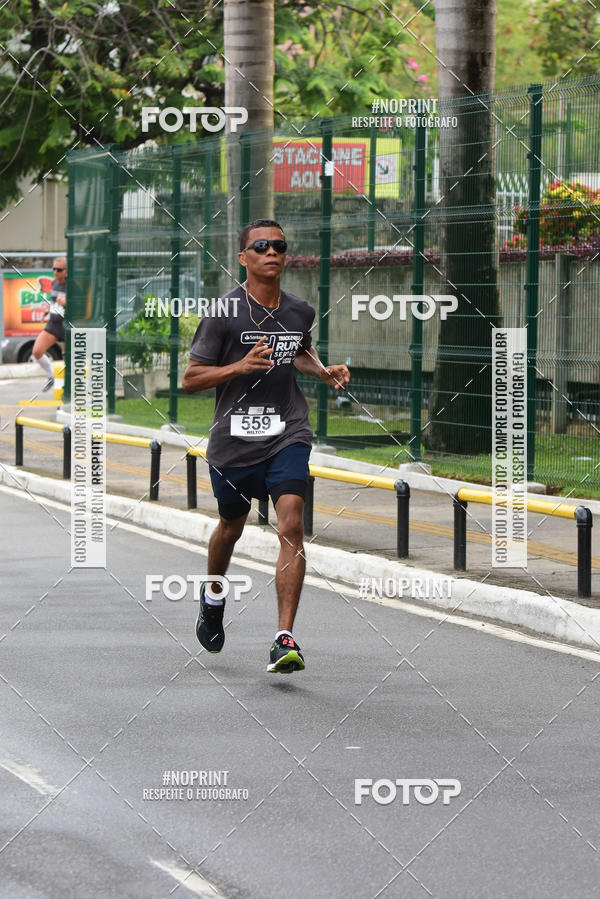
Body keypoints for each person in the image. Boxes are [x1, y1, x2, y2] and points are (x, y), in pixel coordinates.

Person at [183, 219, 350, 673]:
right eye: (261, 246)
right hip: (234, 443)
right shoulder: (222, 315)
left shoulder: (300, 311)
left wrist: (323, 372)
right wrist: (238, 367)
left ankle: (283, 637)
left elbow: (298, 351)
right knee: (230, 528)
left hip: (286, 432)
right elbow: (191, 379)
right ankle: (212, 595)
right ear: (243, 258)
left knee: (291, 523)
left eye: (279, 245)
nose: (271, 252)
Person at [33, 256, 67, 391]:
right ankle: (51, 376)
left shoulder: (73, 285)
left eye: (59, 270)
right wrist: (47, 310)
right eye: (54, 269)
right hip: (53, 324)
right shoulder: (54, 283)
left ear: (66, 271)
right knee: (37, 351)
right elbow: (53, 302)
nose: (56, 272)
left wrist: (66, 303)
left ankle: (69, 386)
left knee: (68, 359)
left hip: (66, 326)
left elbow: (81, 305)